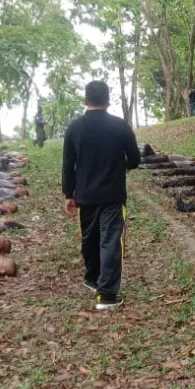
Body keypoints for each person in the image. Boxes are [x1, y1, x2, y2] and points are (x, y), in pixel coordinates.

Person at [62, 80, 141, 310]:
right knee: (110, 241)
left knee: (90, 238)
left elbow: (68, 165)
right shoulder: (120, 126)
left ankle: (93, 278)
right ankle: (106, 295)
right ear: (108, 101)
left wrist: (69, 194)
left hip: (85, 196)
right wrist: (124, 165)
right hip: (113, 196)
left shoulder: (74, 129)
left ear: (85, 101)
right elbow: (135, 158)